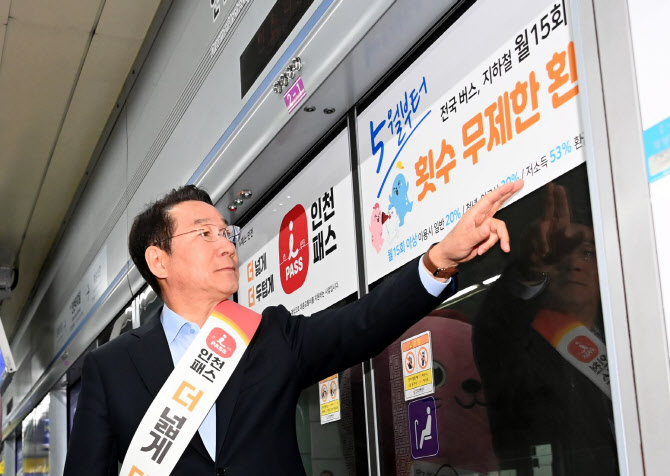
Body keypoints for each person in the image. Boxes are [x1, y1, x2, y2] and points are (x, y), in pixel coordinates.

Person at [64, 180, 522, 475]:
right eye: (204, 234)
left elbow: (363, 323)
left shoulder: (269, 335)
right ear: (158, 260)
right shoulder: (113, 367)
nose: (227, 246)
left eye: (226, 233)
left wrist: (440, 260)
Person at [473, 182, 618, 475]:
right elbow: (497, 324)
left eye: (587, 253)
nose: (573, 264)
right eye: (561, 253)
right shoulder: (518, 341)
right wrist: (529, 269)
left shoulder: (622, 334)